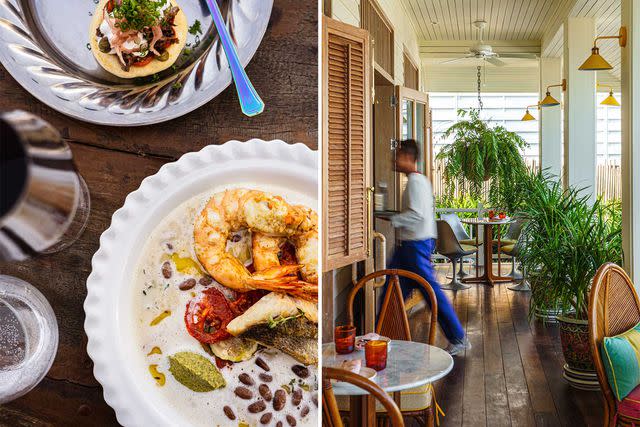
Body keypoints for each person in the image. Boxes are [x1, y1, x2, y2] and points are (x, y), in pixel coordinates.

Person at [380, 139, 469, 356]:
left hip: (415, 247)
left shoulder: (416, 183)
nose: (394, 159)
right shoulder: (414, 181)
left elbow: (416, 214)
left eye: (398, 155)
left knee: (431, 292)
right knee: (391, 292)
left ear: (409, 158)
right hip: (407, 248)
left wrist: (394, 220)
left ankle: (458, 337)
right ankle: (381, 339)